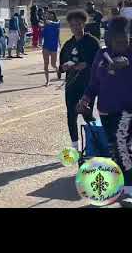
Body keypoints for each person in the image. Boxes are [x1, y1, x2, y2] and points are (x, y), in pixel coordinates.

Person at [77, 16, 132, 207]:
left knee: (123, 146)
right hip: (106, 111)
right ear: (108, 39)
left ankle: (128, 189)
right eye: (118, 42)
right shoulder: (101, 56)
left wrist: (125, 62)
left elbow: (125, 60)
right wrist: (85, 99)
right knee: (116, 149)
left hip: (127, 110)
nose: (122, 45)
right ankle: (124, 187)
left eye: (125, 41)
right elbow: (94, 83)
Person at [58, 10, 100, 150]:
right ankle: (74, 147)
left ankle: (94, 144)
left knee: (87, 114)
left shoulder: (92, 42)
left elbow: (100, 62)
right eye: (72, 25)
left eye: (78, 24)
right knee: (71, 115)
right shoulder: (68, 44)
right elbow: (61, 67)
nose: (75, 27)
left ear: (84, 24)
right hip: (71, 85)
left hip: (88, 85)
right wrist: (64, 67)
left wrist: (87, 64)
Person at [42, 10, 61, 86]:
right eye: (48, 15)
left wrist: (50, 22)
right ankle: (47, 81)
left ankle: (57, 70)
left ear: (54, 15)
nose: (49, 16)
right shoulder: (45, 23)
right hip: (46, 46)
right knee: (46, 64)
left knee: (53, 64)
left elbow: (56, 25)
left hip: (54, 46)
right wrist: (42, 28)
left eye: (51, 15)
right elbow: (43, 34)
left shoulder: (57, 22)